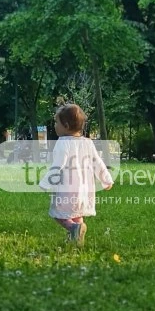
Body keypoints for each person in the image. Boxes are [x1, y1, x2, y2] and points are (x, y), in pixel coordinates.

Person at [39, 103, 113, 245]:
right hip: (83, 189)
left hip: (67, 188)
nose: (55, 126)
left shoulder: (63, 143)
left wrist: (45, 182)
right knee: (77, 213)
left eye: (56, 122)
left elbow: (57, 166)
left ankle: (73, 228)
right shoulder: (88, 143)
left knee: (58, 214)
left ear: (65, 125)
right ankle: (76, 237)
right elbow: (97, 162)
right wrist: (106, 180)